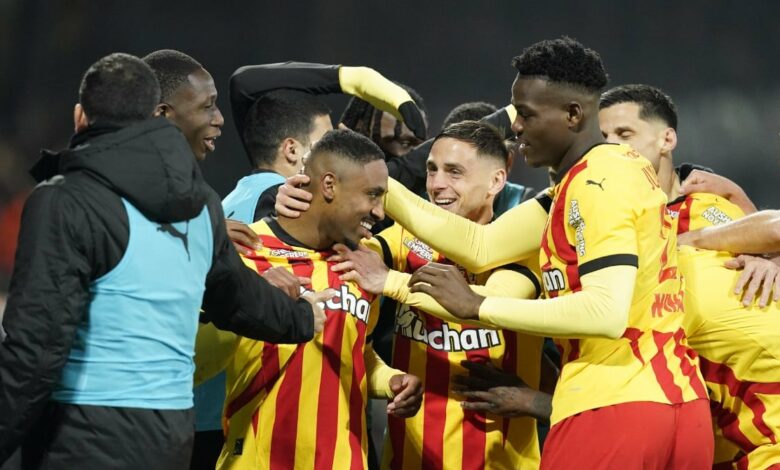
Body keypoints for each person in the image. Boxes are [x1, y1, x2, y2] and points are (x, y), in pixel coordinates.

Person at [277, 37, 712, 468]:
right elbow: (479, 246)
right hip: (676, 402)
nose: (516, 127)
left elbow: (605, 312)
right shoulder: (591, 179)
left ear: (573, 114)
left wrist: (478, 305)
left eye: (527, 113)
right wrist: (365, 180)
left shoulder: (598, 182)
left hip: (616, 407)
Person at [0, 53, 326, 469]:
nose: (218, 119)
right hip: (171, 437)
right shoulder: (201, 205)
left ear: (80, 117)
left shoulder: (65, 200)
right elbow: (239, 299)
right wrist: (301, 316)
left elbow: (36, 348)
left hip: (82, 435)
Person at [192, 129, 421, 469]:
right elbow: (194, 362)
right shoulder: (244, 251)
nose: (378, 212)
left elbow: (358, 351)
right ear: (329, 185)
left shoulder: (362, 264)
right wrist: (256, 299)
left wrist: (390, 380)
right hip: (258, 461)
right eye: (372, 195)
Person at [331, 121, 545, 469]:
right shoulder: (405, 239)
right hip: (408, 458)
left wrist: (390, 281)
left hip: (500, 461)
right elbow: (339, 255)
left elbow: (491, 302)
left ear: (496, 181)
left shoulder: (522, 249)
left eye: (454, 172)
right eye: (432, 170)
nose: (436, 184)